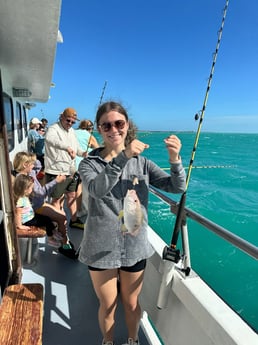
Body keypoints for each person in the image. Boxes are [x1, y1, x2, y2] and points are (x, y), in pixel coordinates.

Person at [78, 101, 186, 345]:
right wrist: (124, 157)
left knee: (131, 303)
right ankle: (107, 341)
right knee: (107, 305)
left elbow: (177, 187)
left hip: (134, 248)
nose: (113, 129)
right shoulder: (89, 164)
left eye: (119, 123)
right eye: (107, 125)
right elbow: (96, 189)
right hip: (100, 249)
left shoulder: (143, 164)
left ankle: (132, 339)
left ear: (127, 126)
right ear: (99, 129)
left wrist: (175, 159)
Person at [12, 152, 78, 258]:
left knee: (62, 217)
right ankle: (64, 245)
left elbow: (38, 165)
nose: (34, 166)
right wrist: (56, 181)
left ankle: (61, 240)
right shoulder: (22, 179)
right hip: (35, 207)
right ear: (25, 165)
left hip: (39, 204)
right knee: (61, 218)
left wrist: (36, 158)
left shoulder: (30, 172)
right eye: (31, 164)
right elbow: (41, 192)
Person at [44, 107, 87, 230]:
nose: (70, 124)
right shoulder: (53, 129)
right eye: (68, 120)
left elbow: (77, 148)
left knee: (72, 196)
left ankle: (74, 220)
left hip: (70, 170)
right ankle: (57, 224)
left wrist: (83, 153)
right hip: (56, 171)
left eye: (73, 122)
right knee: (57, 199)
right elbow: (50, 140)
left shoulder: (72, 131)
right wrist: (67, 147)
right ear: (61, 117)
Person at [13, 174, 58, 247]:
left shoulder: (23, 196)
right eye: (31, 188)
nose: (32, 190)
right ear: (25, 190)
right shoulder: (20, 200)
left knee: (47, 219)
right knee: (47, 220)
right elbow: (18, 214)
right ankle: (50, 238)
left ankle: (53, 231)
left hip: (30, 216)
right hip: (27, 220)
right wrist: (20, 226)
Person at [75, 119, 99, 221]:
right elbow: (98, 150)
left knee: (71, 190)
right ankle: (79, 210)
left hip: (70, 164)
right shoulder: (89, 136)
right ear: (90, 128)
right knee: (79, 188)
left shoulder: (72, 132)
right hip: (81, 165)